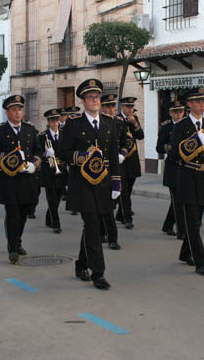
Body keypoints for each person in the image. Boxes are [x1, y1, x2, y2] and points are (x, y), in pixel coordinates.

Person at [59, 79, 122, 290]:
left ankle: (81, 264)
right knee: (93, 226)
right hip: (82, 183)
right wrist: (80, 156)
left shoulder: (109, 122)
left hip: (103, 182)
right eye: (90, 97)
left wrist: (116, 183)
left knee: (92, 227)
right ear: (83, 101)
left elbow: (113, 155)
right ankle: (99, 273)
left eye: (96, 97)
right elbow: (64, 152)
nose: (94, 100)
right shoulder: (74, 123)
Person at [168, 87, 204, 276]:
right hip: (188, 176)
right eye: (198, 102)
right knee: (192, 222)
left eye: (203, 102)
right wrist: (192, 144)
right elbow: (174, 154)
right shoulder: (181, 126)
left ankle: (185, 253)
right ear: (189, 104)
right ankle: (201, 262)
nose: (202, 105)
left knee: (197, 220)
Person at [0, 96, 41, 263]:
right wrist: (9, 159)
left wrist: (34, 163)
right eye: (14, 109)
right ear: (7, 112)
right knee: (12, 213)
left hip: (27, 178)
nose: (18, 112)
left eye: (20, 109)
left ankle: (18, 240)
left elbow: (38, 151)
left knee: (24, 213)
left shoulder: (30, 129)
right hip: (9, 180)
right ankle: (12, 248)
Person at [157, 100, 186, 239]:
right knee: (177, 200)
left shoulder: (187, 125)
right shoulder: (166, 127)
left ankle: (168, 225)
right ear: (170, 113)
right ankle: (182, 231)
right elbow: (158, 147)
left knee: (180, 199)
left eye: (180, 111)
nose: (178, 114)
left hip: (185, 166)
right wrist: (168, 147)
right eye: (175, 112)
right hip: (172, 166)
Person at [98, 94, 123, 249]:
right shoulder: (98, 123)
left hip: (113, 167)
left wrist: (123, 153)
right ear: (102, 108)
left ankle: (113, 238)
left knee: (109, 207)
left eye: (113, 106)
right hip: (96, 169)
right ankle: (101, 234)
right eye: (107, 106)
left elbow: (127, 140)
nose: (111, 109)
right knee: (100, 207)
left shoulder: (119, 123)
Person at [115, 96, 143, 229]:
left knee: (129, 188)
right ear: (122, 107)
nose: (130, 109)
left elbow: (141, 136)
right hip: (121, 160)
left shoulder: (134, 119)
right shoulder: (116, 120)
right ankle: (127, 217)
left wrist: (135, 124)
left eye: (132, 107)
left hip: (132, 159)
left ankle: (120, 214)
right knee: (124, 190)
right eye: (128, 107)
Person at [39, 108, 66, 234]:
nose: (55, 122)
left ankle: (48, 218)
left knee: (59, 195)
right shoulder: (42, 136)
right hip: (48, 170)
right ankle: (56, 224)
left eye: (56, 120)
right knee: (52, 198)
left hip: (61, 169)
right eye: (52, 120)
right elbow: (37, 153)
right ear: (48, 122)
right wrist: (45, 153)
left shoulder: (64, 133)